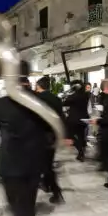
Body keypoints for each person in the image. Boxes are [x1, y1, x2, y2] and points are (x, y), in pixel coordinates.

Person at [0, 63, 66, 216]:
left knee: (16, 205)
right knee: (28, 203)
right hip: (35, 162)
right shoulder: (40, 100)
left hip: (11, 164)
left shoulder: (3, 103)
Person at [34, 76, 64, 204]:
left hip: (40, 135)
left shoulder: (36, 99)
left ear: (38, 86)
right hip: (53, 134)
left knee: (45, 166)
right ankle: (46, 184)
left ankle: (57, 192)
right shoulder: (56, 99)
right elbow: (61, 117)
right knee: (47, 162)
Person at [63, 80, 90, 162]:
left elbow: (64, 103)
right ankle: (81, 153)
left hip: (74, 120)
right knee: (81, 136)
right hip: (84, 119)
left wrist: (67, 93)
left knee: (69, 136)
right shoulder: (86, 95)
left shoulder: (73, 96)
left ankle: (81, 152)